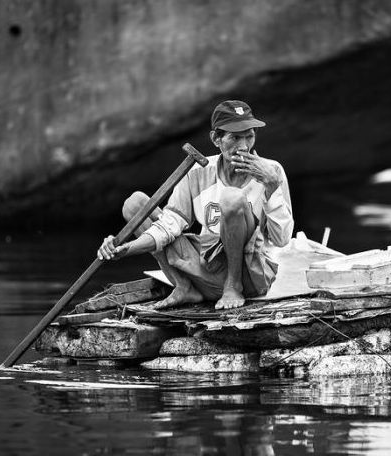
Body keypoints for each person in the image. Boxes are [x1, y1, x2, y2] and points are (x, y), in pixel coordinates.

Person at [97, 100, 294, 310]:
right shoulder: (197, 173)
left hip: (251, 276)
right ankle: (183, 286)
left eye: (250, 136)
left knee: (232, 198)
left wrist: (272, 186)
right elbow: (169, 226)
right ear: (216, 139)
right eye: (235, 137)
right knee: (135, 204)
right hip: (207, 268)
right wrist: (126, 248)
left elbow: (282, 240)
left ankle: (232, 286)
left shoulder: (271, 172)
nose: (244, 146)